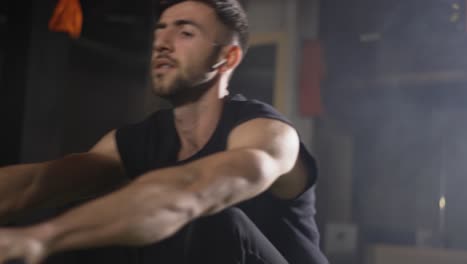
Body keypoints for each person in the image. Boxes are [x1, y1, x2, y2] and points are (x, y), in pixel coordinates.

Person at [0, 0, 328, 263]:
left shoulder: (268, 133)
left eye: (185, 33)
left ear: (227, 57)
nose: (162, 44)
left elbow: (193, 188)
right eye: (160, 31)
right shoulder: (141, 140)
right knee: (100, 219)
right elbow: (36, 183)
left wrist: (41, 238)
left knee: (207, 218)